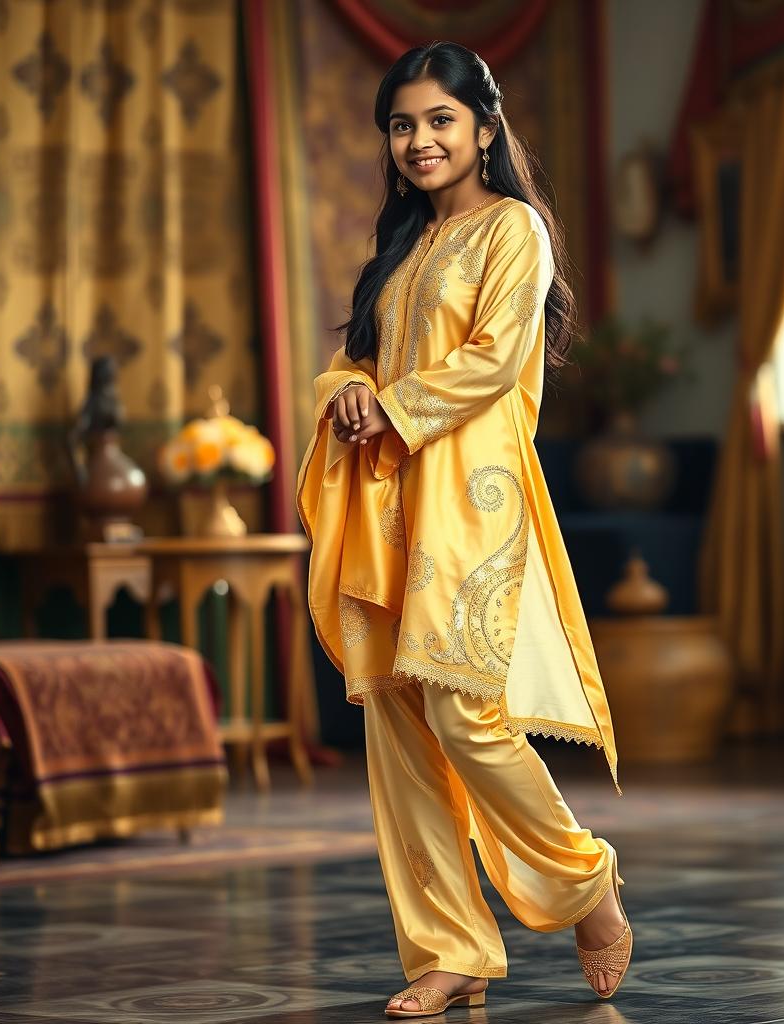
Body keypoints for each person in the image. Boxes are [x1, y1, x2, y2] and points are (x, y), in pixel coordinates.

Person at [295, 41, 631, 1019]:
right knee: (399, 727)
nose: (419, 140)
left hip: (470, 502)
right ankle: (451, 948)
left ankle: (584, 882)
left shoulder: (512, 230)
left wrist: (390, 405)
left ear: (484, 128)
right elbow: (353, 360)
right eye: (402, 124)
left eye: (439, 120)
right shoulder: (400, 251)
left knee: (464, 717)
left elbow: (493, 361)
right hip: (388, 504)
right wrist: (353, 396)